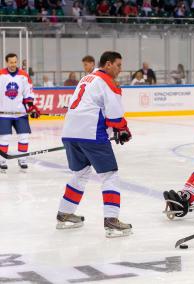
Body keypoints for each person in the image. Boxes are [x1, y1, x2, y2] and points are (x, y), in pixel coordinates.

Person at [57, 51, 133, 238]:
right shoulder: (107, 82)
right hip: (91, 132)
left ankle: (64, 213)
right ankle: (111, 220)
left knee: (81, 174)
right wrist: (123, 130)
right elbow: (115, 116)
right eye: (118, 65)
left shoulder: (87, 78)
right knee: (110, 175)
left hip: (70, 132)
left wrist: (117, 129)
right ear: (108, 64)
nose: (120, 69)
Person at [0, 53, 41, 171]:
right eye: (11, 62)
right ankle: (2, 160)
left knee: (24, 136)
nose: (13, 64)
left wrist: (31, 107)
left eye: (15, 62)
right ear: (6, 62)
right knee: (5, 138)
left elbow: (27, 93)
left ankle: (22, 158)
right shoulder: (1, 75)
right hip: (3, 113)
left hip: (20, 113)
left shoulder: (24, 75)